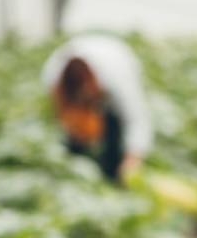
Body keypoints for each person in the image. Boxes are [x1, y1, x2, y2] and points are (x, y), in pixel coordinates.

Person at [41, 33, 153, 182]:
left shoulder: (116, 76)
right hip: (83, 58)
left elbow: (137, 118)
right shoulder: (53, 75)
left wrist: (133, 159)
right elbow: (60, 115)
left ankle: (112, 175)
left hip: (117, 54)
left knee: (114, 131)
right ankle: (76, 173)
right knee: (73, 141)